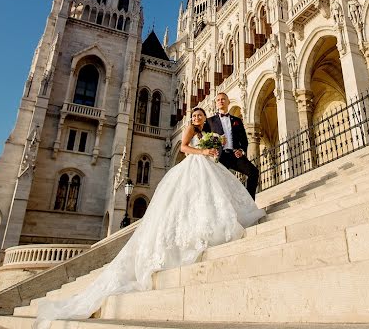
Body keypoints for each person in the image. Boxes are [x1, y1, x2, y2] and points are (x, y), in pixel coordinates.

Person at [34, 107, 264, 329]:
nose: (197, 118)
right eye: (194, 115)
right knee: (191, 200)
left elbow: (215, 147)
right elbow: (183, 148)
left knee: (207, 198)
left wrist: (213, 149)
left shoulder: (208, 131)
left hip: (206, 165)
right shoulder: (191, 131)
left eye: (200, 115)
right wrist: (203, 150)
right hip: (194, 165)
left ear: (204, 118)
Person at [207, 93, 259, 199]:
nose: (221, 101)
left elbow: (244, 139)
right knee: (220, 183)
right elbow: (204, 138)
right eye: (218, 100)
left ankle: (250, 201)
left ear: (228, 102)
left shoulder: (237, 120)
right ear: (215, 104)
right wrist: (213, 146)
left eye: (223, 99)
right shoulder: (210, 121)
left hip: (235, 155)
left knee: (253, 172)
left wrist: (241, 150)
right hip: (219, 157)